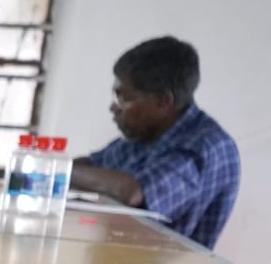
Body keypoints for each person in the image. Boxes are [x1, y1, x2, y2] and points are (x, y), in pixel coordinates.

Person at [70, 36, 239, 248]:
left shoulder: (205, 146)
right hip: (119, 258)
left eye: (125, 98)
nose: (114, 107)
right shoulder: (148, 133)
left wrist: (55, 170)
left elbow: (132, 192)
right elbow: (92, 167)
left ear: (162, 101)